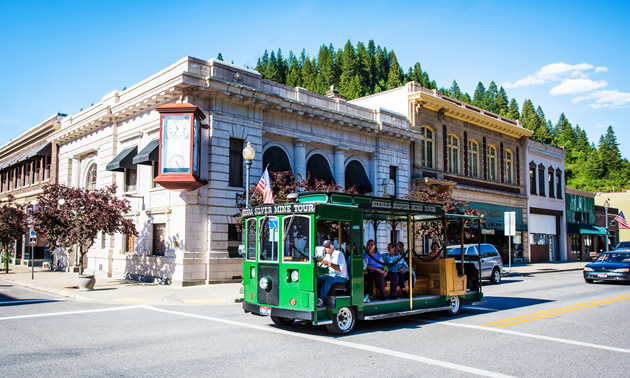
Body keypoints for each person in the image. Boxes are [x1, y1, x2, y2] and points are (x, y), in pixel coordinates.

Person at [317, 240, 349, 305]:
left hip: (342, 277)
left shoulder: (339, 254)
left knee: (329, 279)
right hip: (331, 275)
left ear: (332, 246)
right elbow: (323, 265)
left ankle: (321, 299)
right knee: (319, 279)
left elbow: (340, 269)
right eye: (325, 247)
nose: (326, 249)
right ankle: (316, 297)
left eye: (327, 247)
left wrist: (328, 263)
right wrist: (319, 263)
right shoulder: (327, 256)